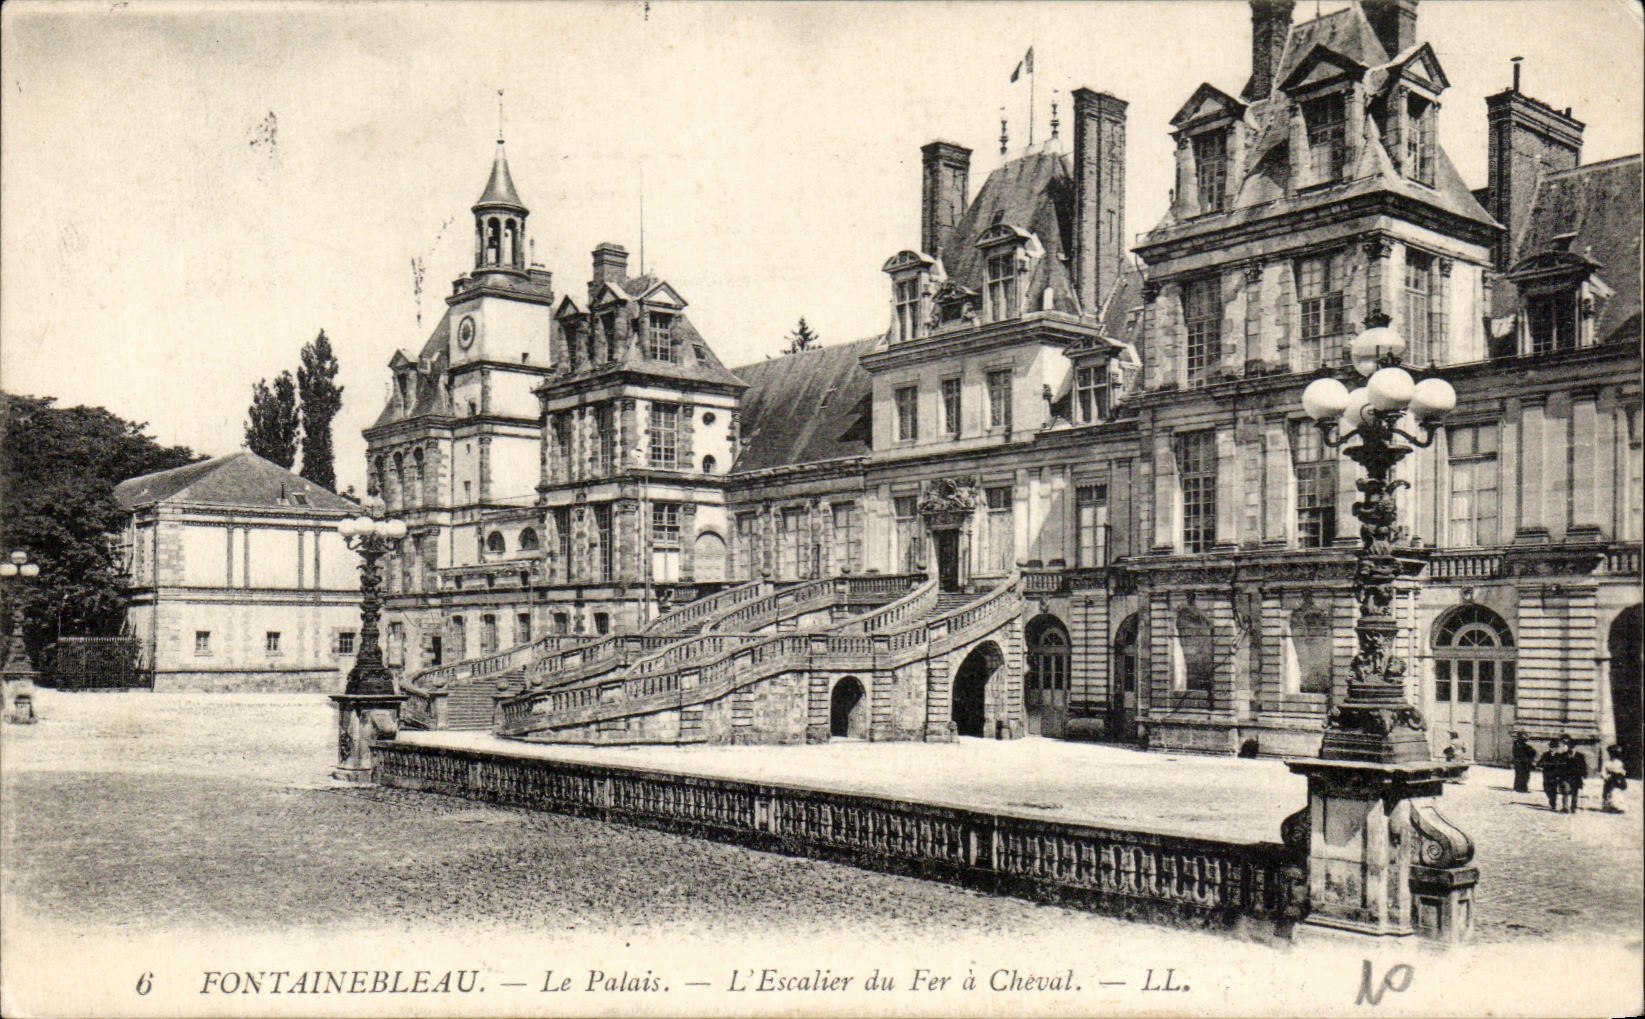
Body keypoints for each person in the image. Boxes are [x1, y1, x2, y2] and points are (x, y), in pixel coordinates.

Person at [1559, 737, 1588, 813]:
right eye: (1570, 746)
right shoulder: (1563, 755)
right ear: (1568, 746)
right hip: (1565, 777)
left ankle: (1573, 807)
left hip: (1576, 777)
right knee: (1566, 790)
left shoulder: (1580, 756)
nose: (1571, 748)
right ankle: (1565, 807)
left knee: (1575, 793)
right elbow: (1559, 766)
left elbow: (1584, 766)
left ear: (1575, 747)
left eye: (1573, 746)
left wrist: (1584, 775)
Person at [1538, 737, 1566, 811]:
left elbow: (1561, 766)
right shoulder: (1545, 755)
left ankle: (1553, 804)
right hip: (1546, 775)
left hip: (1555, 775)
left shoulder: (1559, 756)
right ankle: (1551, 799)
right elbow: (1539, 763)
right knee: (1546, 789)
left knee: (1553, 789)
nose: (1552, 748)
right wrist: (1540, 765)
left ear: (1556, 748)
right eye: (1551, 747)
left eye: (1554, 747)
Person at [1601, 745, 1628, 813]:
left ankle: (1618, 807)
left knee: (1617, 792)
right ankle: (1609, 807)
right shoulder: (1607, 763)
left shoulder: (1619, 763)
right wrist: (1605, 776)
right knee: (1609, 793)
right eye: (1611, 753)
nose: (1612, 755)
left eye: (1614, 754)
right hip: (1609, 780)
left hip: (1617, 781)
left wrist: (1620, 774)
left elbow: (1624, 772)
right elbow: (1603, 772)